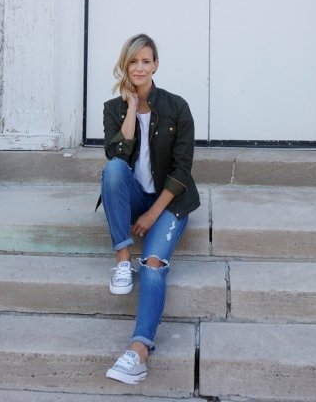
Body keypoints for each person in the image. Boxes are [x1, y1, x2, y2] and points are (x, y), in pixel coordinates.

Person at [100, 33, 200, 385]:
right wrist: (130, 107)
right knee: (112, 169)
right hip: (133, 197)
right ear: (125, 66)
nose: (139, 68)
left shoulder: (176, 107)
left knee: (155, 266)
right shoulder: (113, 109)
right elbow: (116, 156)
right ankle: (122, 261)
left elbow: (181, 171)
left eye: (146, 61)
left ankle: (138, 352)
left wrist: (152, 215)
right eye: (133, 61)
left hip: (167, 204)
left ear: (156, 64)